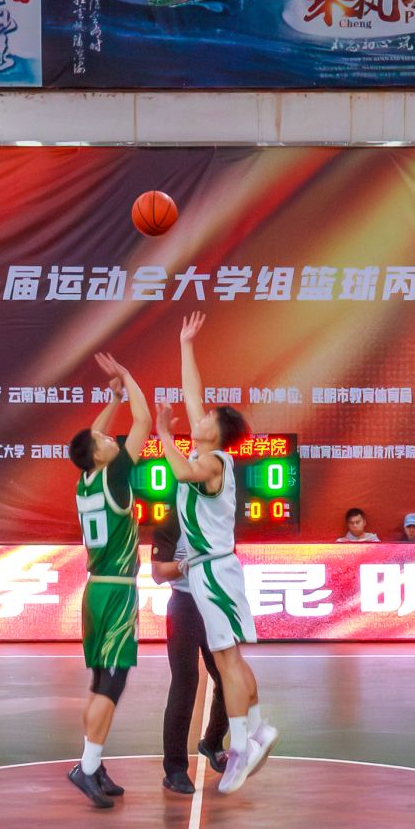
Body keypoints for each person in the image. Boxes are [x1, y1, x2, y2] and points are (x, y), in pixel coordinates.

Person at [158, 311, 278, 796]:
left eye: (207, 419)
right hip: (212, 571)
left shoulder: (210, 462)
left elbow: (181, 472)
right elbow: (193, 394)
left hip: (212, 572)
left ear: (217, 433)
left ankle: (243, 748)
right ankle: (257, 729)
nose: (200, 416)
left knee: (226, 662)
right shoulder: (208, 451)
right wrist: (186, 344)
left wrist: (164, 436)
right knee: (232, 659)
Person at [64, 353, 152, 808]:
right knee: (112, 686)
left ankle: (92, 763)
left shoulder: (85, 482)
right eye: (103, 439)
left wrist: (111, 400)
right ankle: (87, 768)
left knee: (101, 683)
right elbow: (145, 420)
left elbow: (88, 439)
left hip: (94, 591)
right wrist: (128, 376)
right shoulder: (116, 477)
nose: (108, 436)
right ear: (99, 455)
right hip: (116, 593)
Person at [153, 510, 228, 795]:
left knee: (228, 678)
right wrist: (187, 564)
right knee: (185, 683)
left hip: (215, 604)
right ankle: (174, 769)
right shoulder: (170, 521)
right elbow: (158, 574)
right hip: (184, 606)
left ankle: (212, 742)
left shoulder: (217, 518)